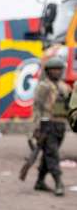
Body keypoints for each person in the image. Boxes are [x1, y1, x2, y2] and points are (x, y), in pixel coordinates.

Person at [29, 57, 71, 195]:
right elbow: (37, 108)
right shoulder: (43, 86)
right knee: (52, 155)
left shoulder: (65, 87)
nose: (56, 72)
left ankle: (40, 181)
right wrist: (36, 128)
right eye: (53, 69)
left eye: (59, 69)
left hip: (60, 125)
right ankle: (59, 182)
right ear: (47, 71)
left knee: (48, 155)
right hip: (47, 125)